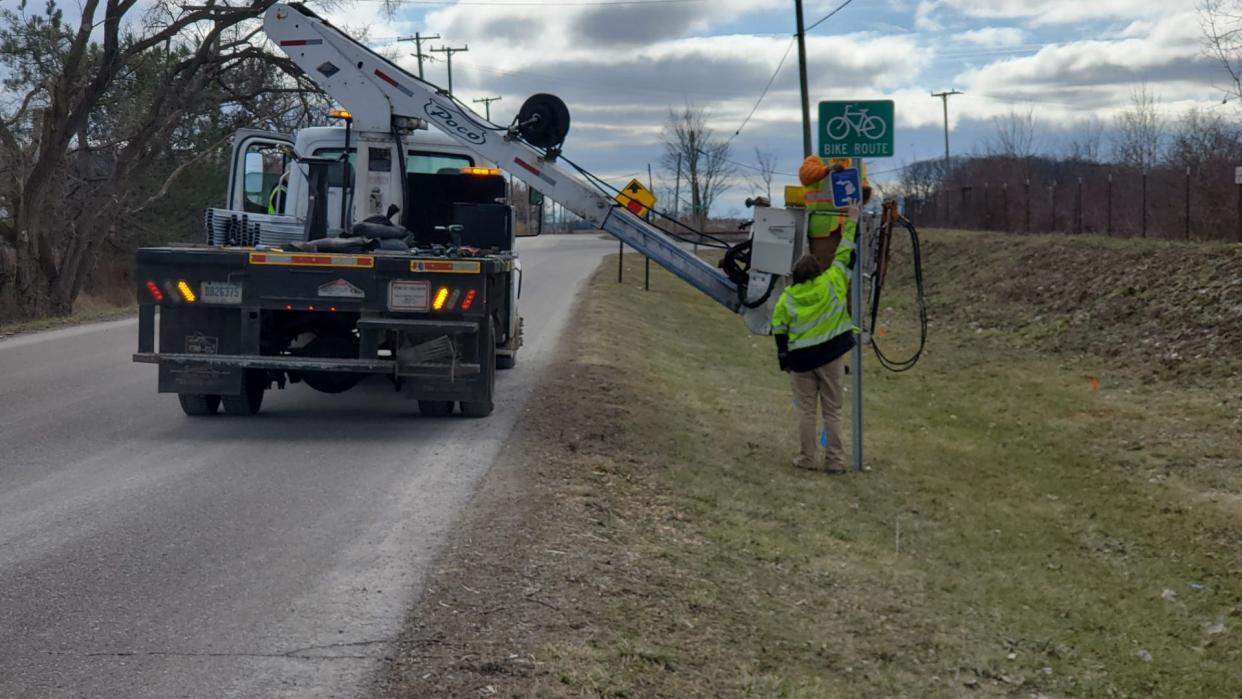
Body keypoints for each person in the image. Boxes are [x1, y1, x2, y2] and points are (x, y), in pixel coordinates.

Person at [771, 201, 861, 473]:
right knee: (833, 411)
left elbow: (779, 329)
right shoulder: (833, 280)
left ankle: (807, 459)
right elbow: (846, 253)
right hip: (832, 357)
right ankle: (835, 461)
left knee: (807, 411)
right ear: (818, 271)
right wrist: (852, 220)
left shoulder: (788, 297)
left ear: (795, 277)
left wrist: (783, 359)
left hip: (801, 361)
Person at [798, 156, 870, 269]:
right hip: (824, 230)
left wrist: (866, 194)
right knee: (825, 271)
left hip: (849, 228)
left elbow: (864, 191)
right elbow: (805, 175)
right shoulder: (817, 160)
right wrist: (826, 170)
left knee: (847, 271)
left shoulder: (858, 163)